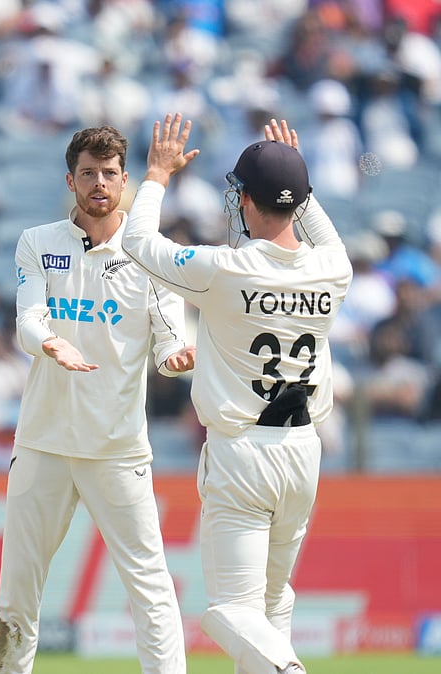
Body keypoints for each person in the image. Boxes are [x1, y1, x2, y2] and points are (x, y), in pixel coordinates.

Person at [121, 115, 353, 674]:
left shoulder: (224, 269)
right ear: (299, 202)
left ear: (246, 200)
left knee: (229, 611)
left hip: (242, 453)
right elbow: (319, 233)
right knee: (274, 603)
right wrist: (296, 181)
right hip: (303, 452)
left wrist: (155, 174)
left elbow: (136, 242)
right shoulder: (333, 269)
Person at [0, 126, 195, 674]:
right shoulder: (38, 241)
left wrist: (174, 353)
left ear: (125, 180)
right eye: (88, 173)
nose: (99, 183)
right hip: (43, 443)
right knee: (16, 596)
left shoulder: (151, 252)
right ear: (70, 179)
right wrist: (48, 340)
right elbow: (27, 318)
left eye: (109, 174)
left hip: (117, 449)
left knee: (151, 588)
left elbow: (170, 326)